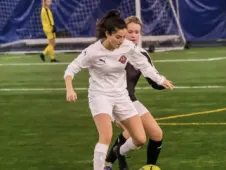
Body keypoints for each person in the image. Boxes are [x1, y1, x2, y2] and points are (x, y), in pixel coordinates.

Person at [64, 9, 174, 170]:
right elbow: (71, 69)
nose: (123, 40)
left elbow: (144, 65)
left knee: (140, 138)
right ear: (107, 34)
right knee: (106, 136)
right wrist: (70, 89)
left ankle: (119, 152)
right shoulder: (93, 51)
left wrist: (161, 79)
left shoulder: (127, 46)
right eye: (119, 37)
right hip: (100, 95)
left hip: (122, 96)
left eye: (125, 36)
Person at [104, 16, 165, 170]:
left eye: (137, 32)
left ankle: (149, 167)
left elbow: (153, 81)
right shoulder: (114, 52)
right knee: (132, 134)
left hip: (131, 100)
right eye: (130, 31)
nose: (133, 35)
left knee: (157, 134)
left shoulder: (142, 55)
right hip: (114, 102)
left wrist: (162, 83)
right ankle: (109, 162)